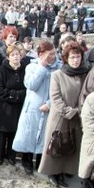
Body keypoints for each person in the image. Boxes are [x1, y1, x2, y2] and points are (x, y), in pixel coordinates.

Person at [38, 42, 88, 187]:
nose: (75, 60)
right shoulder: (57, 75)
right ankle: (52, 173)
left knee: (71, 145)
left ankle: (65, 172)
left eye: (78, 57)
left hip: (77, 117)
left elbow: (86, 95)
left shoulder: (84, 74)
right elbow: (55, 97)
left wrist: (79, 111)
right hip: (60, 117)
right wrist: (68, 111)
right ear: (66, 58)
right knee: (56, 144)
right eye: (72, 57)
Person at [12, 41, 62, 174]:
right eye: (49, 54)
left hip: (50, 108)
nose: (53, 56)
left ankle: (41, 163)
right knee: (29, 134)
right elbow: (32, 85)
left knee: (45, 137)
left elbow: (62, 90)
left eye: (54, 53)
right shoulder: (31, 67)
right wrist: (42, 67)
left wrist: (50, 103)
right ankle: (26, 161)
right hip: (33, 108)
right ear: (41, 54)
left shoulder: (59, 68)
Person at [0, 44, 27, 166]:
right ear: (8, 57)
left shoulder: (26, 69)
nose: (15, 57)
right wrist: (14, 95)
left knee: (15, 131)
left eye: (17, 54)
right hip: (4, 106)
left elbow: (28, 88)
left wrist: (20, 95)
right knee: (3, 132)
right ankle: (0, 156)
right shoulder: (1, 70)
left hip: (19, 106)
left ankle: (12, 156)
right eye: (12, 55)